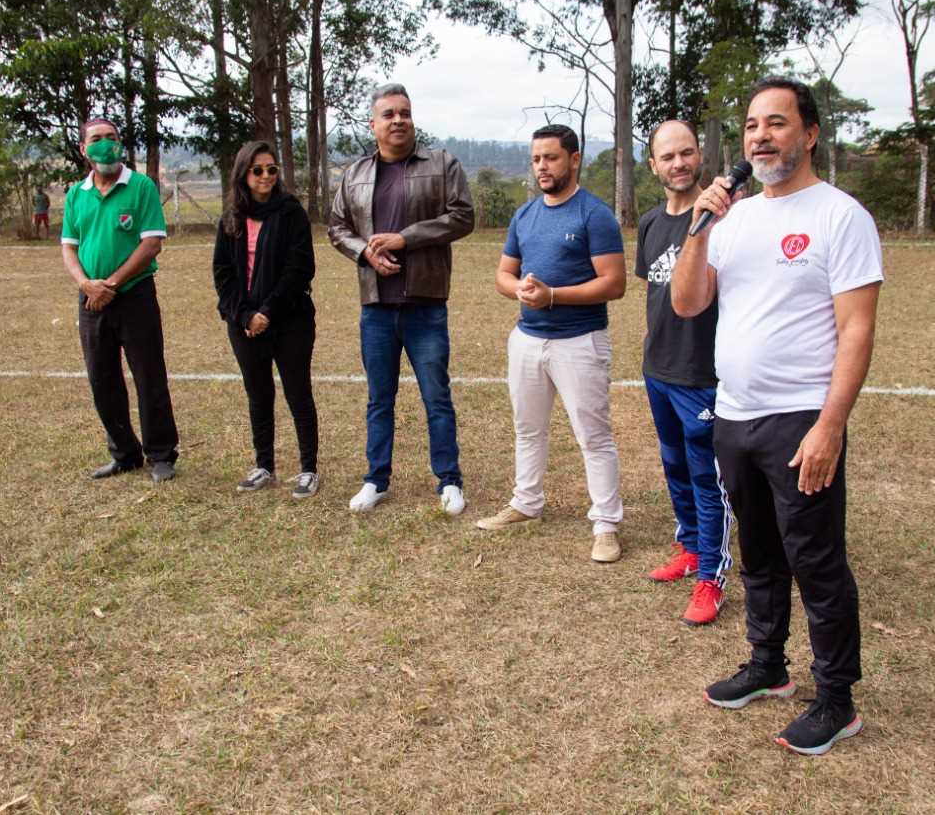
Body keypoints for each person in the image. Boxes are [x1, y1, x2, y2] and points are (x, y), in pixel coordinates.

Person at [671, 77, 883, 755]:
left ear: (811, 133)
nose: (761, 136)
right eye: (752, 126)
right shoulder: (732, 217)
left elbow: (857, 331)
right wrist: (699, 230)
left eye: (778, 123)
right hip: (735, 415)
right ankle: (768, 665)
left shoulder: (839, 215)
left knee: (816, 560)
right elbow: (686, 302)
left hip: (801, 419)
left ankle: (837, 699)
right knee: (759, 554)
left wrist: (830, 424)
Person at [476, 124, 626, 564]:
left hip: (580, 341)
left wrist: (555, 296)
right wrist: (519, 290)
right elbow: (503, 275)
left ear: (573, 159)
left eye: (551, 158)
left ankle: (606, 523)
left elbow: (614, 284)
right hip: (527, 339)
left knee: (592, 436)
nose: (542, 166)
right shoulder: (525, 215)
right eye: (537, 158)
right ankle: (527, 503)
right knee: (528, 428)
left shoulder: (593, 215)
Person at [329, 83, 475, 515]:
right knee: (379, 399)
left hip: (425, 305)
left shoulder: (442, 163)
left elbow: (463, 216)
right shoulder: (354, 174)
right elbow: (336, 226)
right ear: (372, 124)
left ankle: (449, 480)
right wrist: (364, 252)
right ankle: (376, 478)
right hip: (375, 308)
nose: (398, 120)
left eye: (405, 113)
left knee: (436, 396)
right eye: (389, 114)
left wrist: (404, 239)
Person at [637, 120, 732, 624]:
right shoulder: (652, 224)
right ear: (653, 165)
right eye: (667, 156)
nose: (678, 163)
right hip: (658, 370)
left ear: (700, 157)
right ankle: (691, 547)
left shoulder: (720, 220)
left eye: (687, 153)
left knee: (705, 475)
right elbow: (652, 294)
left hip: (703, 373)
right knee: (674, 466)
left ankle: (711, 577)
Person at [60, 116, 180, 483]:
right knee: (102, 378)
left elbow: (151, 242)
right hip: (91, 301)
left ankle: (160, 454)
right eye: (96, 138)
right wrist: (86, 285)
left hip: (134, 295)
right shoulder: (75, 195)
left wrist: (110, 284)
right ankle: (124, 453)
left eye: (111, 137)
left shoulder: (140, 187)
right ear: (84, 149)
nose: (105, 144)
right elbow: (69, 247)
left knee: (149, 375)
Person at [213, 141, 319, 498]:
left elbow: (300, 268)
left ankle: (308, 469)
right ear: (244, 173)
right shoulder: (230, 218)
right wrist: (244, 314)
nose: (265, 176)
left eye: (271, 169)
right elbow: (223, 273)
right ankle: (264, 466)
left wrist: (267, 312)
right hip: (244, 324)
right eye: (257, 170)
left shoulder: (291, 213)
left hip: (288, 320)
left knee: (297, 392)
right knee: (258, 394)